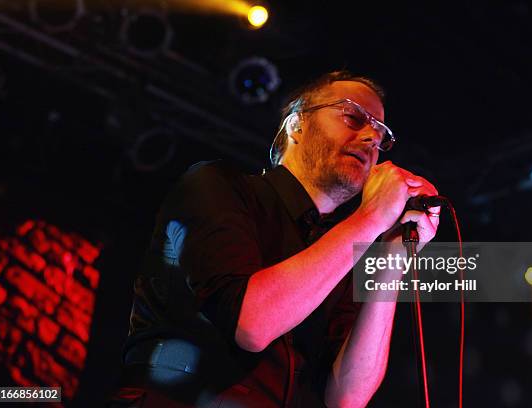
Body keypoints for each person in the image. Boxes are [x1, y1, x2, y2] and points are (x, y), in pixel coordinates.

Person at [107, 71, 439, 408]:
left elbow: (348, 397)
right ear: (297, 124)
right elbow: (252, 324)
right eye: (353, 117)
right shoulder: (217, 186)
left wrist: (394, 257)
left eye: (382, 135)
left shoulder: (344, 251)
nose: (371, 137)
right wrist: (371, 219)